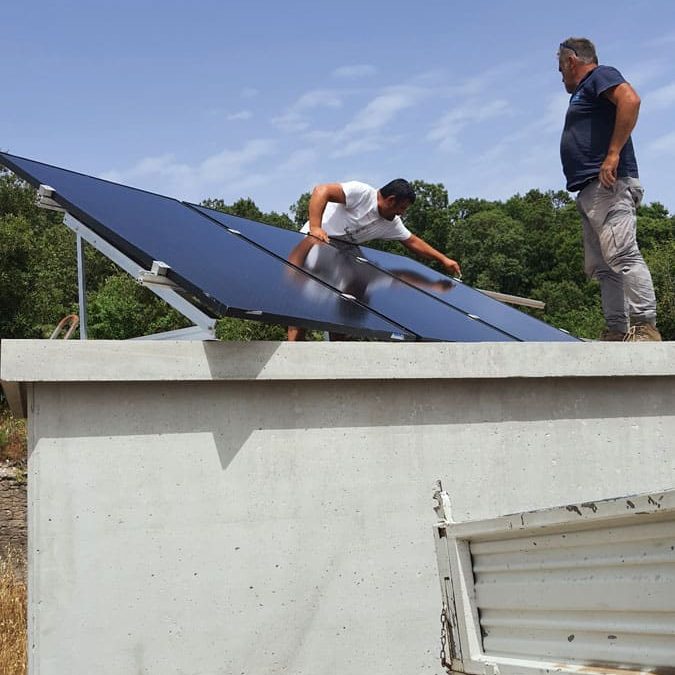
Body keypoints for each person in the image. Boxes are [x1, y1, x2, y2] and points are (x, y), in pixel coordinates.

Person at [558, 37, 661, 342]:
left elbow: (630, 99)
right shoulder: (582, 92)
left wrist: (613, 153)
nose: (560, 73)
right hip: (591, 189)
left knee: (624, 255)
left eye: (560, 66)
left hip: (609, 185)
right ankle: (616, 330)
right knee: (605, 267)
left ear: (571, 61)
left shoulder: (598, 76)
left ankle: (645, 326)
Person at [287, 178, 461, 341]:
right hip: (317, 240)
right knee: (304, 306)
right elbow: (321, 190)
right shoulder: (361, 193)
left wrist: (443, 260)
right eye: (402, 208)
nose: (402, 213)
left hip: (344, 250)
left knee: (353, 294)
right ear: (391, 200)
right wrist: (315, 227)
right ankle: (293, 351)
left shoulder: (391, 222)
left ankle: (337, 349)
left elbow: (413, 241)